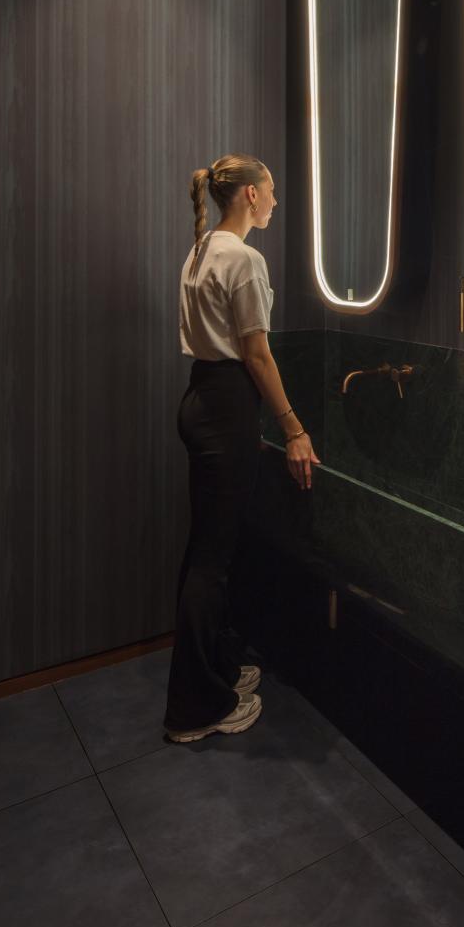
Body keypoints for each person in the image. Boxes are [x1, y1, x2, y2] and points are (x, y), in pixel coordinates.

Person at [163, 154, 320, 744]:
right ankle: (194, 708)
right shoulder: (244, 258)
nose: (276, 201)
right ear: (250, 195)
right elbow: (256, 355)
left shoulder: (201, 250)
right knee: (212, 560)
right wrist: (293, 427)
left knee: (207, 552)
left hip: (200, 398)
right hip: (228, 406)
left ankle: (218, 669)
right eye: (272, 191)